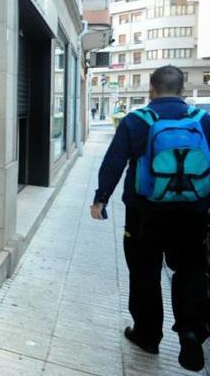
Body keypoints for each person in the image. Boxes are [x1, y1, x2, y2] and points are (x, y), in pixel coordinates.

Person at [90, 65, 208, 371]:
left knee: (144, 274)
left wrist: (101, 198)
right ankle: (191, 330)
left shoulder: (136, 120)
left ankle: (147, 334)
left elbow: (114, 161)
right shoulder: (203, 120)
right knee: (191, 270)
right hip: (193, 214)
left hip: (144, 214)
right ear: (183, 91)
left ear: (151, 90)